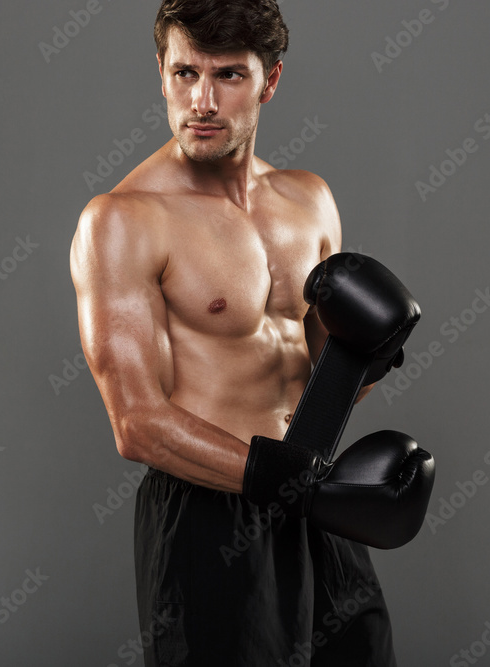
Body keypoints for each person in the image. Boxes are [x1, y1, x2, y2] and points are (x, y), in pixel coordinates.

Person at [71, 1, 401, 663]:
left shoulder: (310, 200)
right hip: (208, 510)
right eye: (184, 73)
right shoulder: (123, 221)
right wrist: (287, 480)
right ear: (161, 73)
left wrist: (370, 355)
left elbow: (318, 382)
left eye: (228, 76)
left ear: (270, 80)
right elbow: (136, 422)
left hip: (313, 497)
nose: (202, 100)